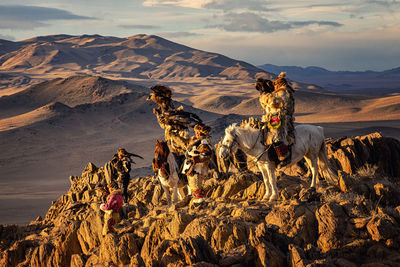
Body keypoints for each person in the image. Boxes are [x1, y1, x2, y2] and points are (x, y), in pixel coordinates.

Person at [256, 72, 295, 167]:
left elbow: (275, 103)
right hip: (275, 116)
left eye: (276, 84)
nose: (275, 87)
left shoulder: (284, 92)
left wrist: (265, 95)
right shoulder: (280, 92)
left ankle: (283, 156)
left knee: (275, 134)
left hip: (283, 117)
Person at [182, 123, 213, 203]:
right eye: (197, 132)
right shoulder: (193, 140)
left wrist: (195, 159)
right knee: (193, 186)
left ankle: (200, 203)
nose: (198, 133)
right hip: (191, 168)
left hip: (198, 168)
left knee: (196, 185)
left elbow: (207, 155)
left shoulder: (204, 142)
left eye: (200, 132)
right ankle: (199, 202)